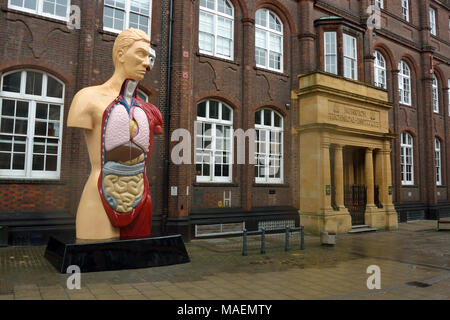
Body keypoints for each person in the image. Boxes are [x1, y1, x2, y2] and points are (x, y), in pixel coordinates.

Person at [68, 28, 162, 240]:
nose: (147, 64)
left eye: (150, 58)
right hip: (98, 197)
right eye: (140, 54)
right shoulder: (87, 99)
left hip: (141, 197)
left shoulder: (150, 111)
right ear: (120, 54)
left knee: (137, 267)